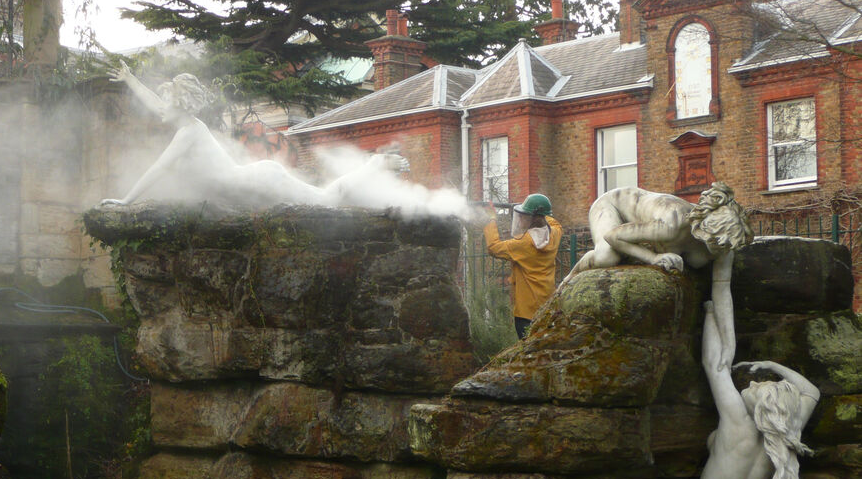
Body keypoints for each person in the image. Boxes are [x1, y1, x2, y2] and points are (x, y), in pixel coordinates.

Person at [97, 64, 471, 218]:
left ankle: (376, 163)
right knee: (324, 203)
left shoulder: (188, 132)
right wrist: (130, 79)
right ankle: (375, 168)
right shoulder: (185, 122)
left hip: (261, 180)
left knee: (328, 201)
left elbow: (158, 168)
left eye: (167, 105)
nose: (159, 110)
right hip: (250, 185)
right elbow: (159, 104)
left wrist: (126, 201)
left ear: (178, 107)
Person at [661, 250, 819, 479]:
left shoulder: (738, 422)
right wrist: (775, 367)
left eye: (761, 384)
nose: (754, 381)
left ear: (761, 404)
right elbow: (810, 393)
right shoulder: (785, 430)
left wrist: (709, 312)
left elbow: (715, 364)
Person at [564, 182, 753, 281]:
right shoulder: (673, 224)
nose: (724, 250)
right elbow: (612, 236)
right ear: (707, 232)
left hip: (646, 225)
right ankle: (570, 279)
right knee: (607, 257)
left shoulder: (725, 242)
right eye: (720, 244)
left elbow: (722, 295)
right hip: (612, 205)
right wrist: (652, 259)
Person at [481, 193, 562, 339]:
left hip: (527, 314)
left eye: (524, 215)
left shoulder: (523, 243)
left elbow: (493, 247)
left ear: (533, 218)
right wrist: (532, 206)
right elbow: (554, 222)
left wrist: (491, 219)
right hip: (548, 308)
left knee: (529, 355)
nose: (521, 218)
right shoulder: (554, 233)